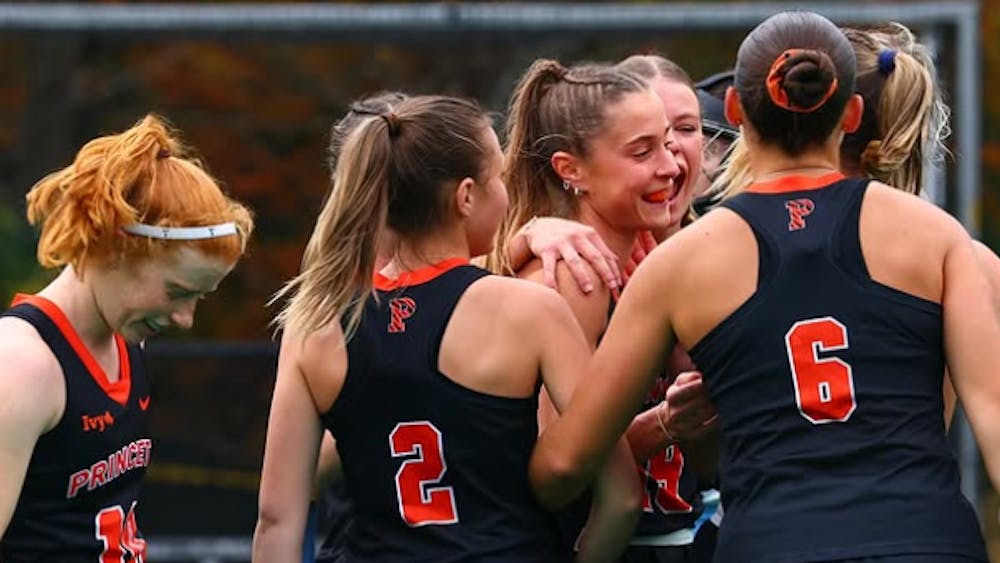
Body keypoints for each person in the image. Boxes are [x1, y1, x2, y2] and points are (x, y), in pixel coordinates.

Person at [530, 11, 1000, 563]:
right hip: (926, 540)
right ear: (848, 114)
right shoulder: (938, 237)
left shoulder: (682, 261)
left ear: (732, 110)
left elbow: (562, 466)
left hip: (774, 542)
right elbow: (992, 420)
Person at [252, 94, 627, 562]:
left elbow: (277, 517)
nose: (507, 194)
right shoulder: (530, 310)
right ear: (466, 196)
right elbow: (621, 496)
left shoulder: (316, 321)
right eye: (500, 178)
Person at [0, 114, 254, 561]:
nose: (185, 319)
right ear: (117, 248)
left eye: (199, 297)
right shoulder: (22, 364)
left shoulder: (127, 341)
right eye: (177, 291)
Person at [496, 57, 691, 562]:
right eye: (641, 151)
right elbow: (552, 468)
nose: (670, 166)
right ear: (571, 170)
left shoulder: (643, 255)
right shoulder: (576, 276)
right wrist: (666, 423)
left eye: (669, 142)